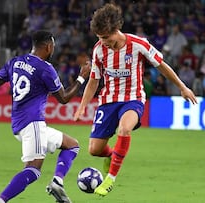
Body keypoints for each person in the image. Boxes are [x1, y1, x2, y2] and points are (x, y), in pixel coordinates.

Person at [73, 3, 197, 197]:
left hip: (133, 99)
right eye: (99, 38)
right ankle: (113, 154)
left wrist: (182, 87)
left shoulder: (138, 44)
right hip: (108, 101)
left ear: (116, 29)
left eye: (106, 37)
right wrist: (81, 107)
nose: (103, 41)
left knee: (125, 129)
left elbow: (162, 66)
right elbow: (94, 80)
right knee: (94, 150)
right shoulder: (99, 50)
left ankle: (110, 179)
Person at [0, 30, 90, 203]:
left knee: (72, 145)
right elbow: (64, 98)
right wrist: (82, 78)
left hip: (19, 124)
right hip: (33, 123)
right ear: (48, 46)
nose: (53, 50)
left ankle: (57, 182)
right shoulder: (45, 69)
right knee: (33, 170)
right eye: (53, 47)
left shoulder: (15, 62)